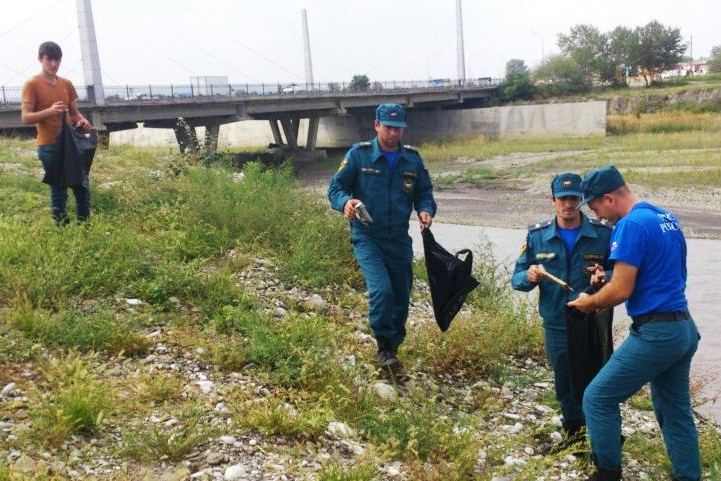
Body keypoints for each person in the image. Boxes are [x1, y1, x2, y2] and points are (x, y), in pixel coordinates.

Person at [568, 165, 700, 481]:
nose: (599, 216)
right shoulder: (664, 217)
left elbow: (622, 291)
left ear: (609, 198)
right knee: (674, 410)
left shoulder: (630, 226)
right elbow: (657, 272)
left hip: (656, 333)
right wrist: (608, 277)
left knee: (597, 398)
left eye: (596, 207)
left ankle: (607, 474)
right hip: (683, 328)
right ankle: (689, 476)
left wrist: (590, 301)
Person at [328, 103, 436, 370]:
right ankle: (384, 346)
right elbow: (335, 188)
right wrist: (346, 204)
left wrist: (425, 210)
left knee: (401, 294)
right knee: (382, 291)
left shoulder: (412, 159)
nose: (393, 134)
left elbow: (424, 192)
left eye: (398, 129)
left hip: (399, 239)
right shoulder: (359, 156)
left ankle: (394, 345)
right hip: (368, 237)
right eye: (388, 127)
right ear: (377, 125)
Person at [512, 172, 612, 444]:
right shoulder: (538, 236)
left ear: (581, 200)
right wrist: (529, 276)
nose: (568, 204)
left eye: (574, 199)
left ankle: (604, 436)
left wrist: (605, 276)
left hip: (592, 319)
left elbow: (622, 273)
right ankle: (575, 436)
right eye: (563, 199)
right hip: (556, 322)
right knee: (566, 380)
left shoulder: (603, 235)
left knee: (599, 379)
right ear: (553, 199)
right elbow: (517, 280)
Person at [21, 41, 93, 225]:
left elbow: (74, 113)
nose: (53, 64)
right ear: (40, 59)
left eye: (57, 60)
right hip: (50, 146)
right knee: (59, 189)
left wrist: (83, 122)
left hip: (72, 143)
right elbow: (26, 117)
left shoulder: (66, 84)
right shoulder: (32, 84)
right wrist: (50, 111)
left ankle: (85, 227)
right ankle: (61, 229)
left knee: (81, 186)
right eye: (49, 59)